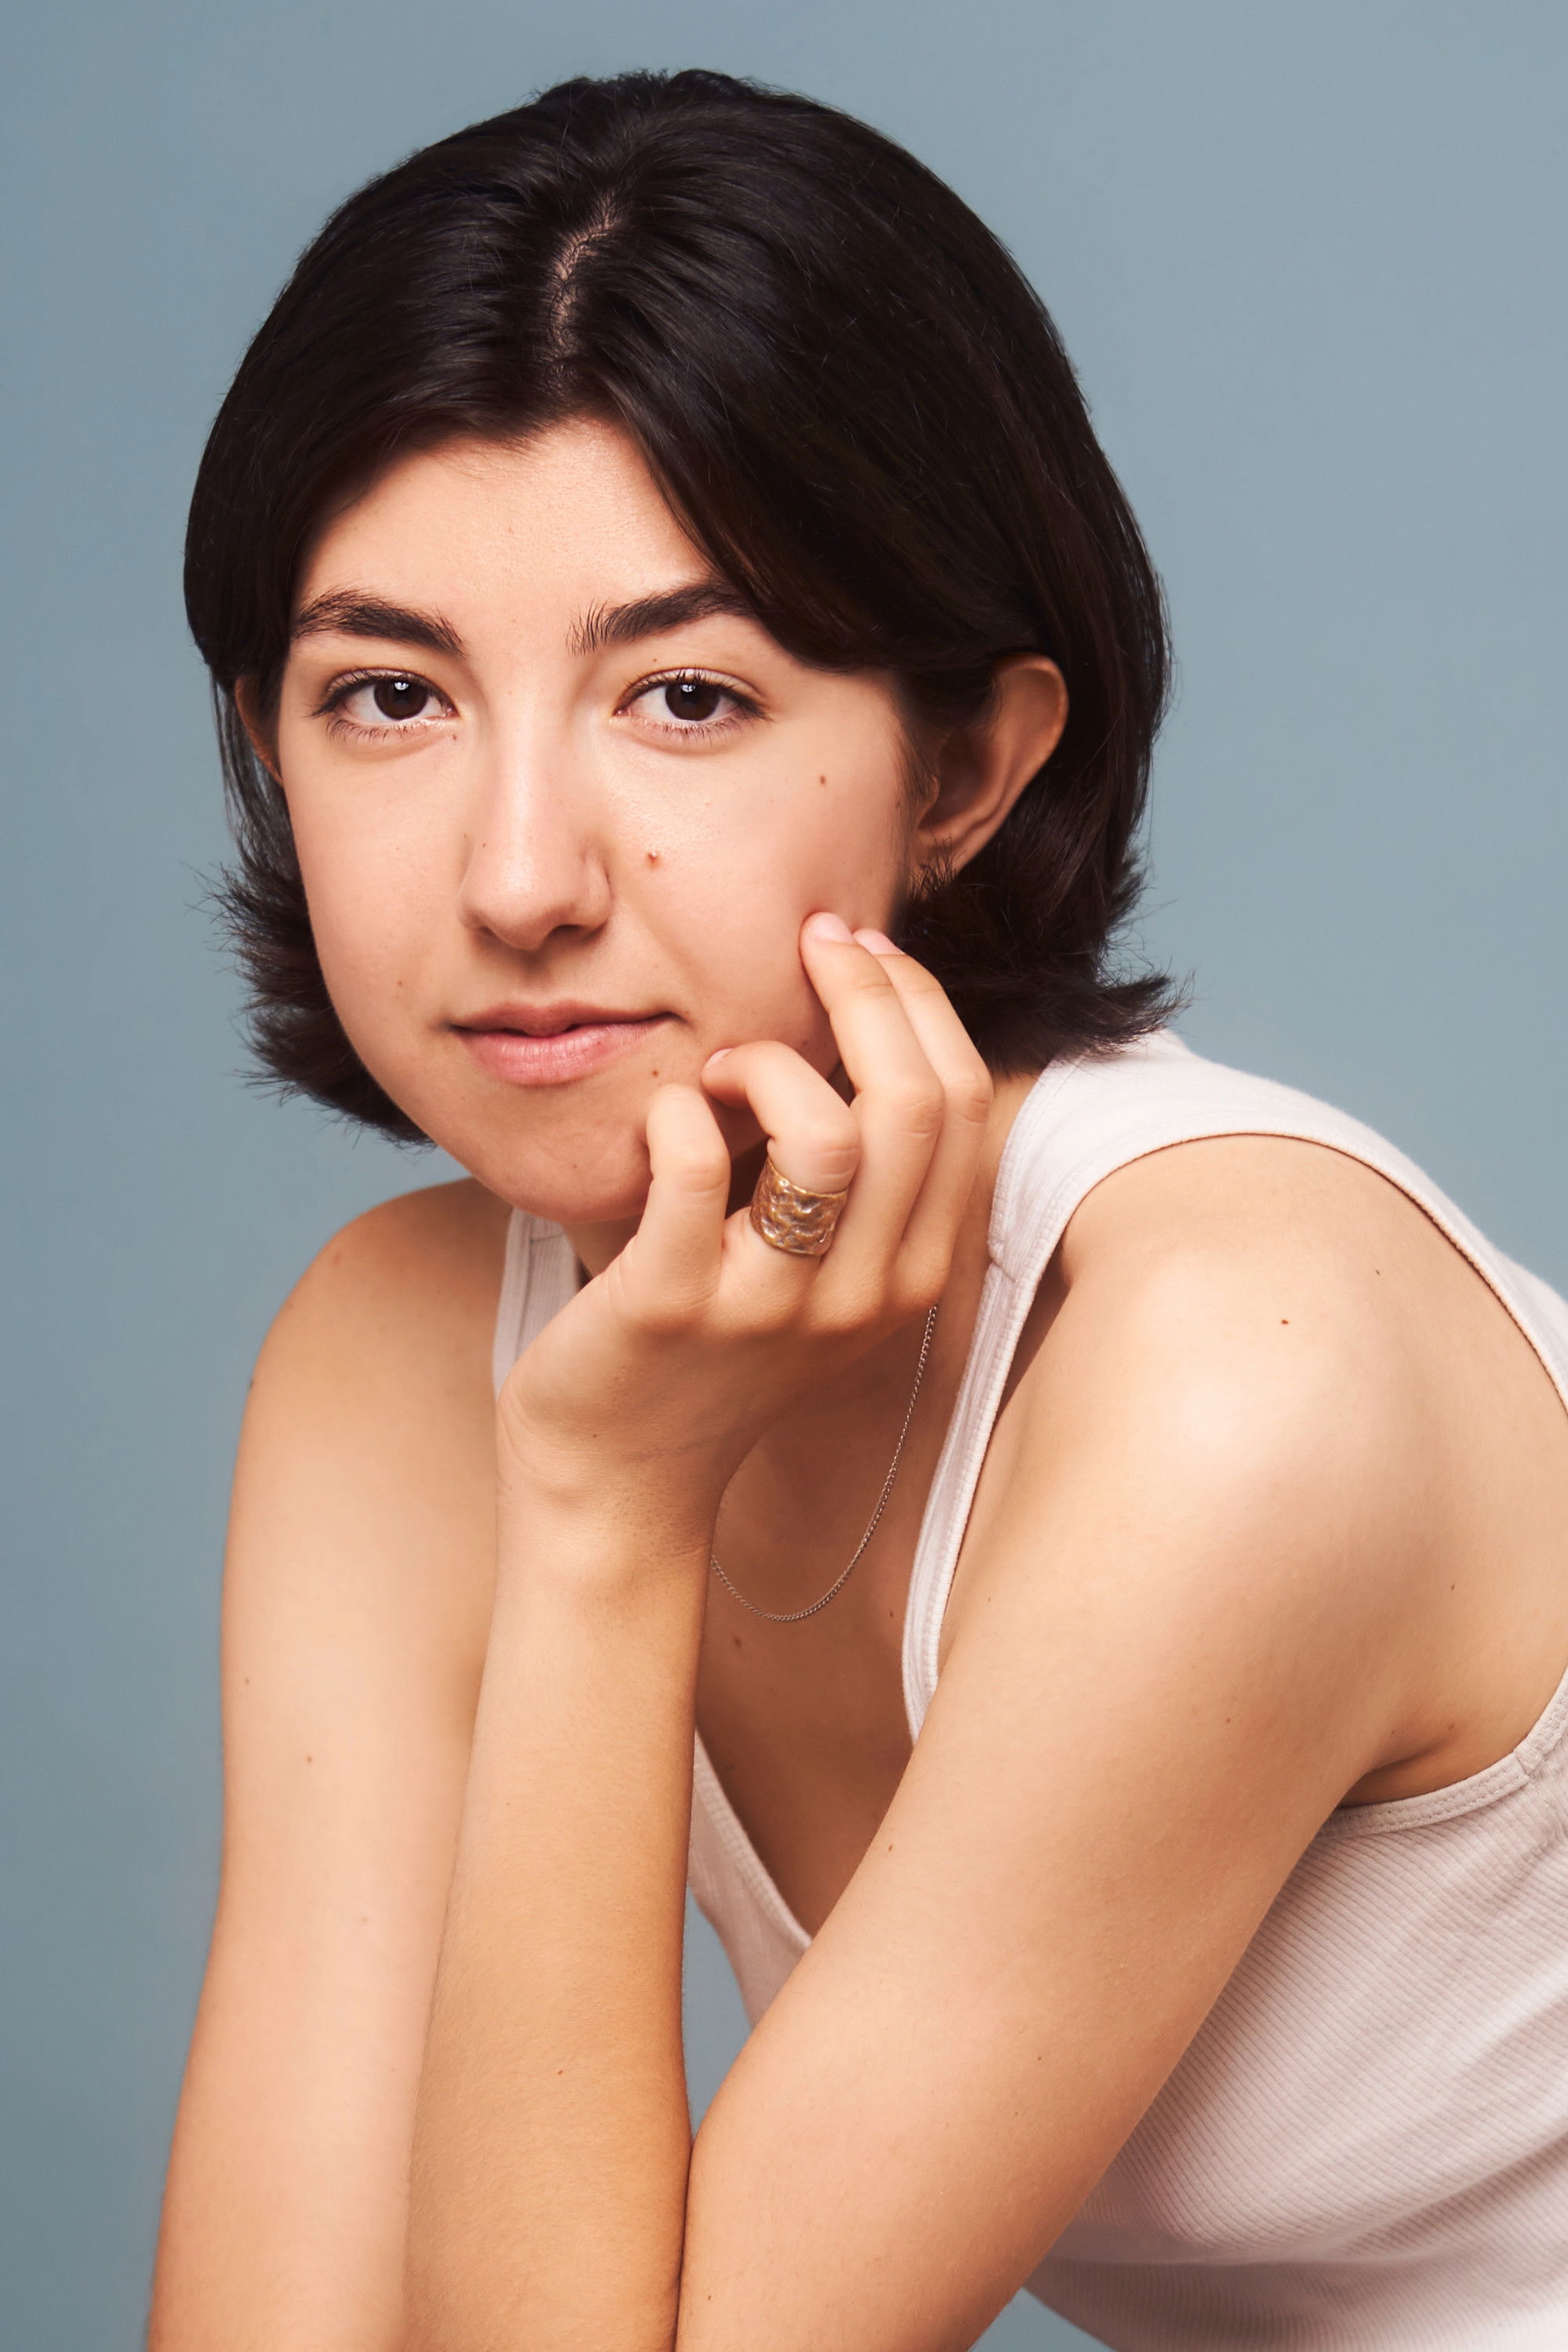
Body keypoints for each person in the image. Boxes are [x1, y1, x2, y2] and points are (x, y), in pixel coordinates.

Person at [150, 67, 1568, 2352]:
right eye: (390, 696)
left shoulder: (1236, 1372)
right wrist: (606, 1481)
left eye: (685, 696)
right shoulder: (398, 1356)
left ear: (968, 769)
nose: (517, 878)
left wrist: (607, 1513)